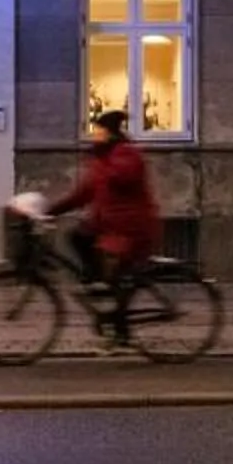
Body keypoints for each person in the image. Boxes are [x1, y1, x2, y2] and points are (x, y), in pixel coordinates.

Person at [49, 109, 163, 345]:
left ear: (110, 133)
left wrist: (101, 159)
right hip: (111, 225)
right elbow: (83, 194)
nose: (95, 135)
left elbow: (123, 177)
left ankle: (118, 329)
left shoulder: (126, 153)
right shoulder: (104, 158)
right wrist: (52, 211)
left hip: (132, 228)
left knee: (117, 276)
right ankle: (99, 288)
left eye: (99, 131)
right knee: (77, 236)